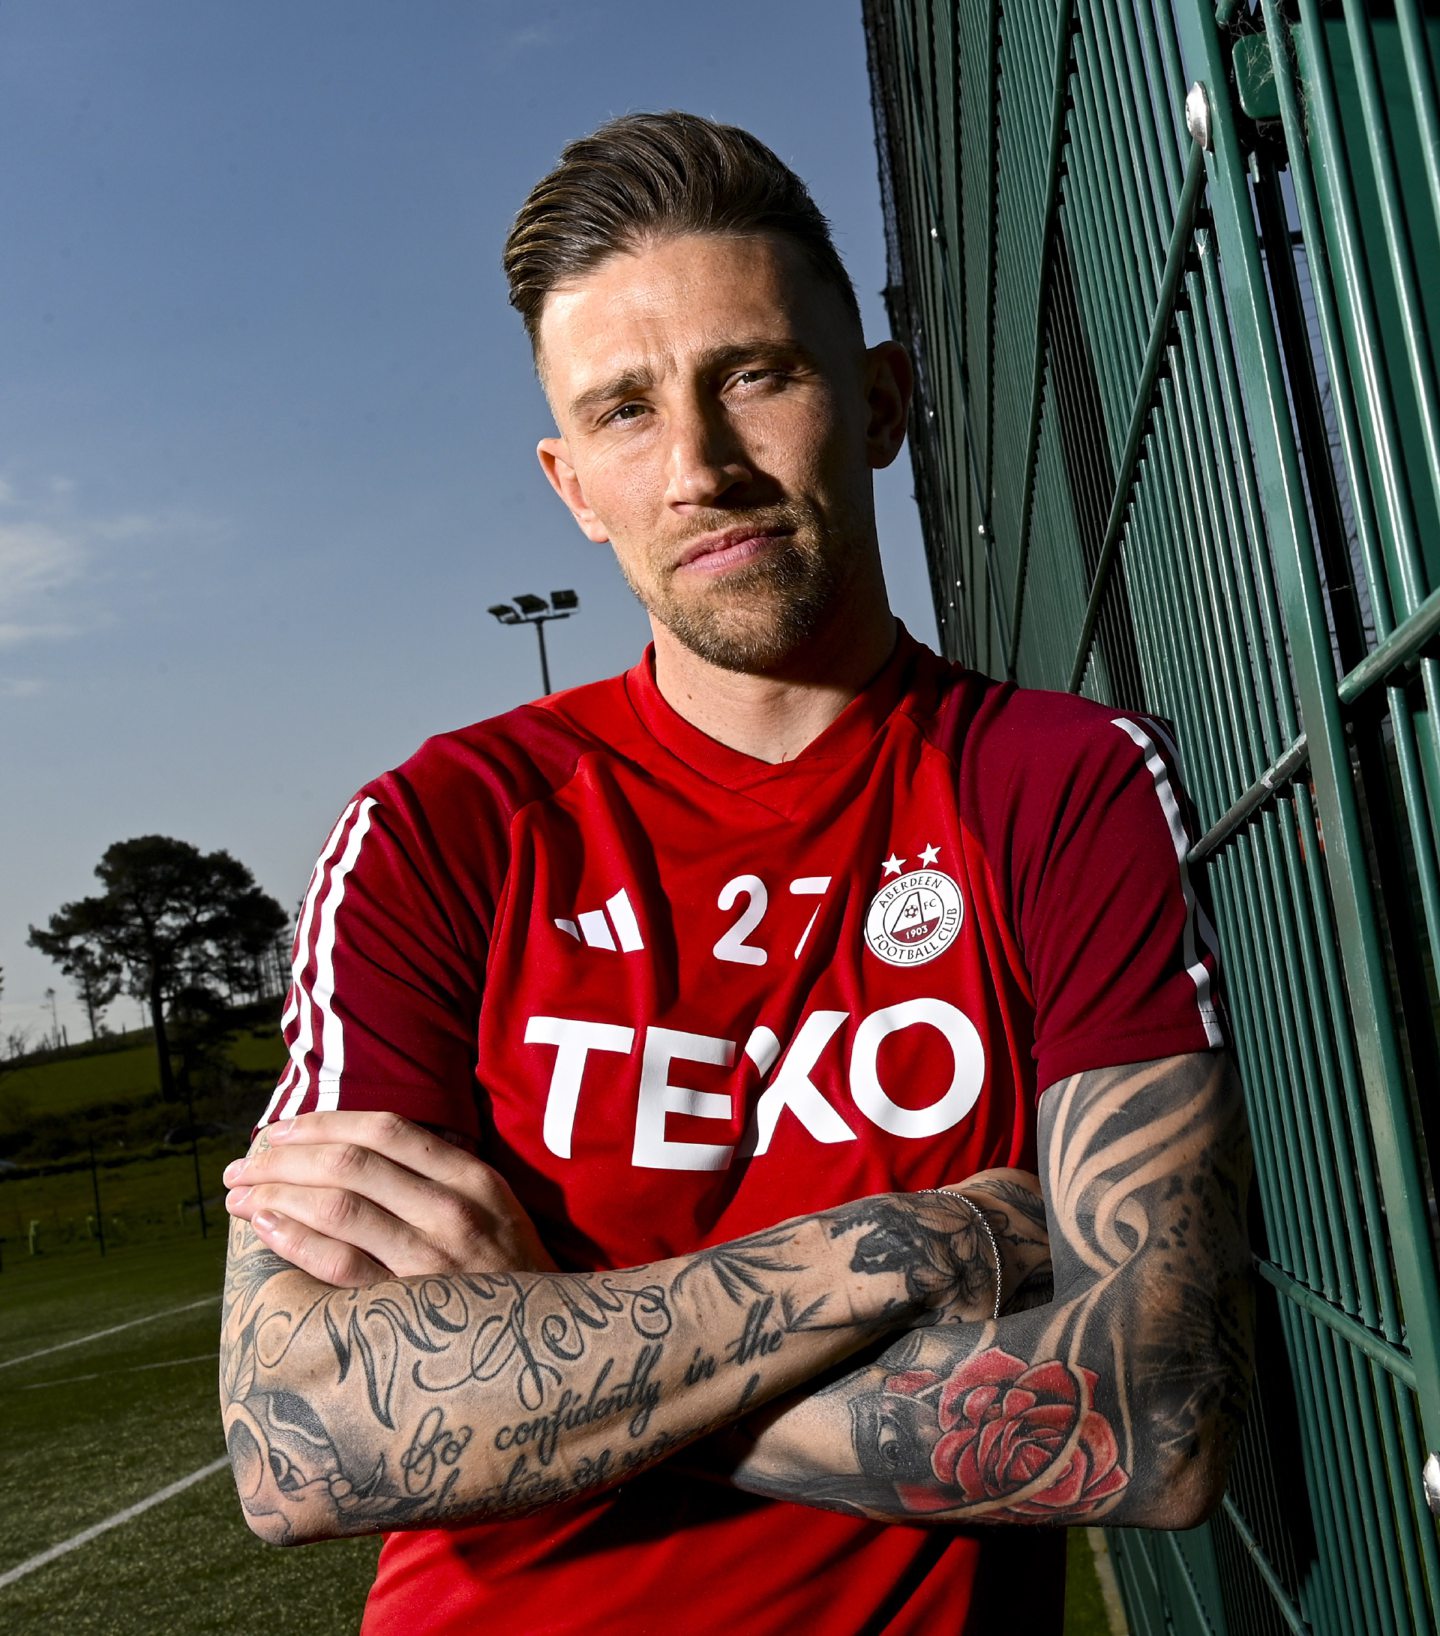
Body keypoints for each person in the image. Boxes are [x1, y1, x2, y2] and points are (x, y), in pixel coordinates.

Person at [218, 112, 1253, 1635]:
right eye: (625, 412)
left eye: (753, 376)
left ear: (882, 399)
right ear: (574, 487)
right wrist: (935, 1240)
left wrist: (537, 1367)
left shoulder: (1058, 783)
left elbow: (1157, 1411)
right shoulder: (443, 828)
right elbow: (296, 1440)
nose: (698, 465)